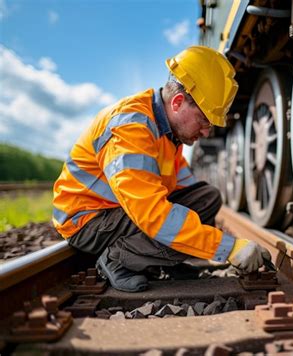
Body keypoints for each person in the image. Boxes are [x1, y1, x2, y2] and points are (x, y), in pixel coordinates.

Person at [52, 46, 271, 292]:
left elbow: (190, 191)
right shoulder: (132, 127)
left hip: (119, 212)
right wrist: (228, 248)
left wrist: (232, 243)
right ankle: (116, 260)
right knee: (170, 221)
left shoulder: (169, 134)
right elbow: (152, 213)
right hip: (89, 220)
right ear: (178, 103)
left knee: (208, 198)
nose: (207, 131)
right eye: (204, 120)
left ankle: (162, 260)